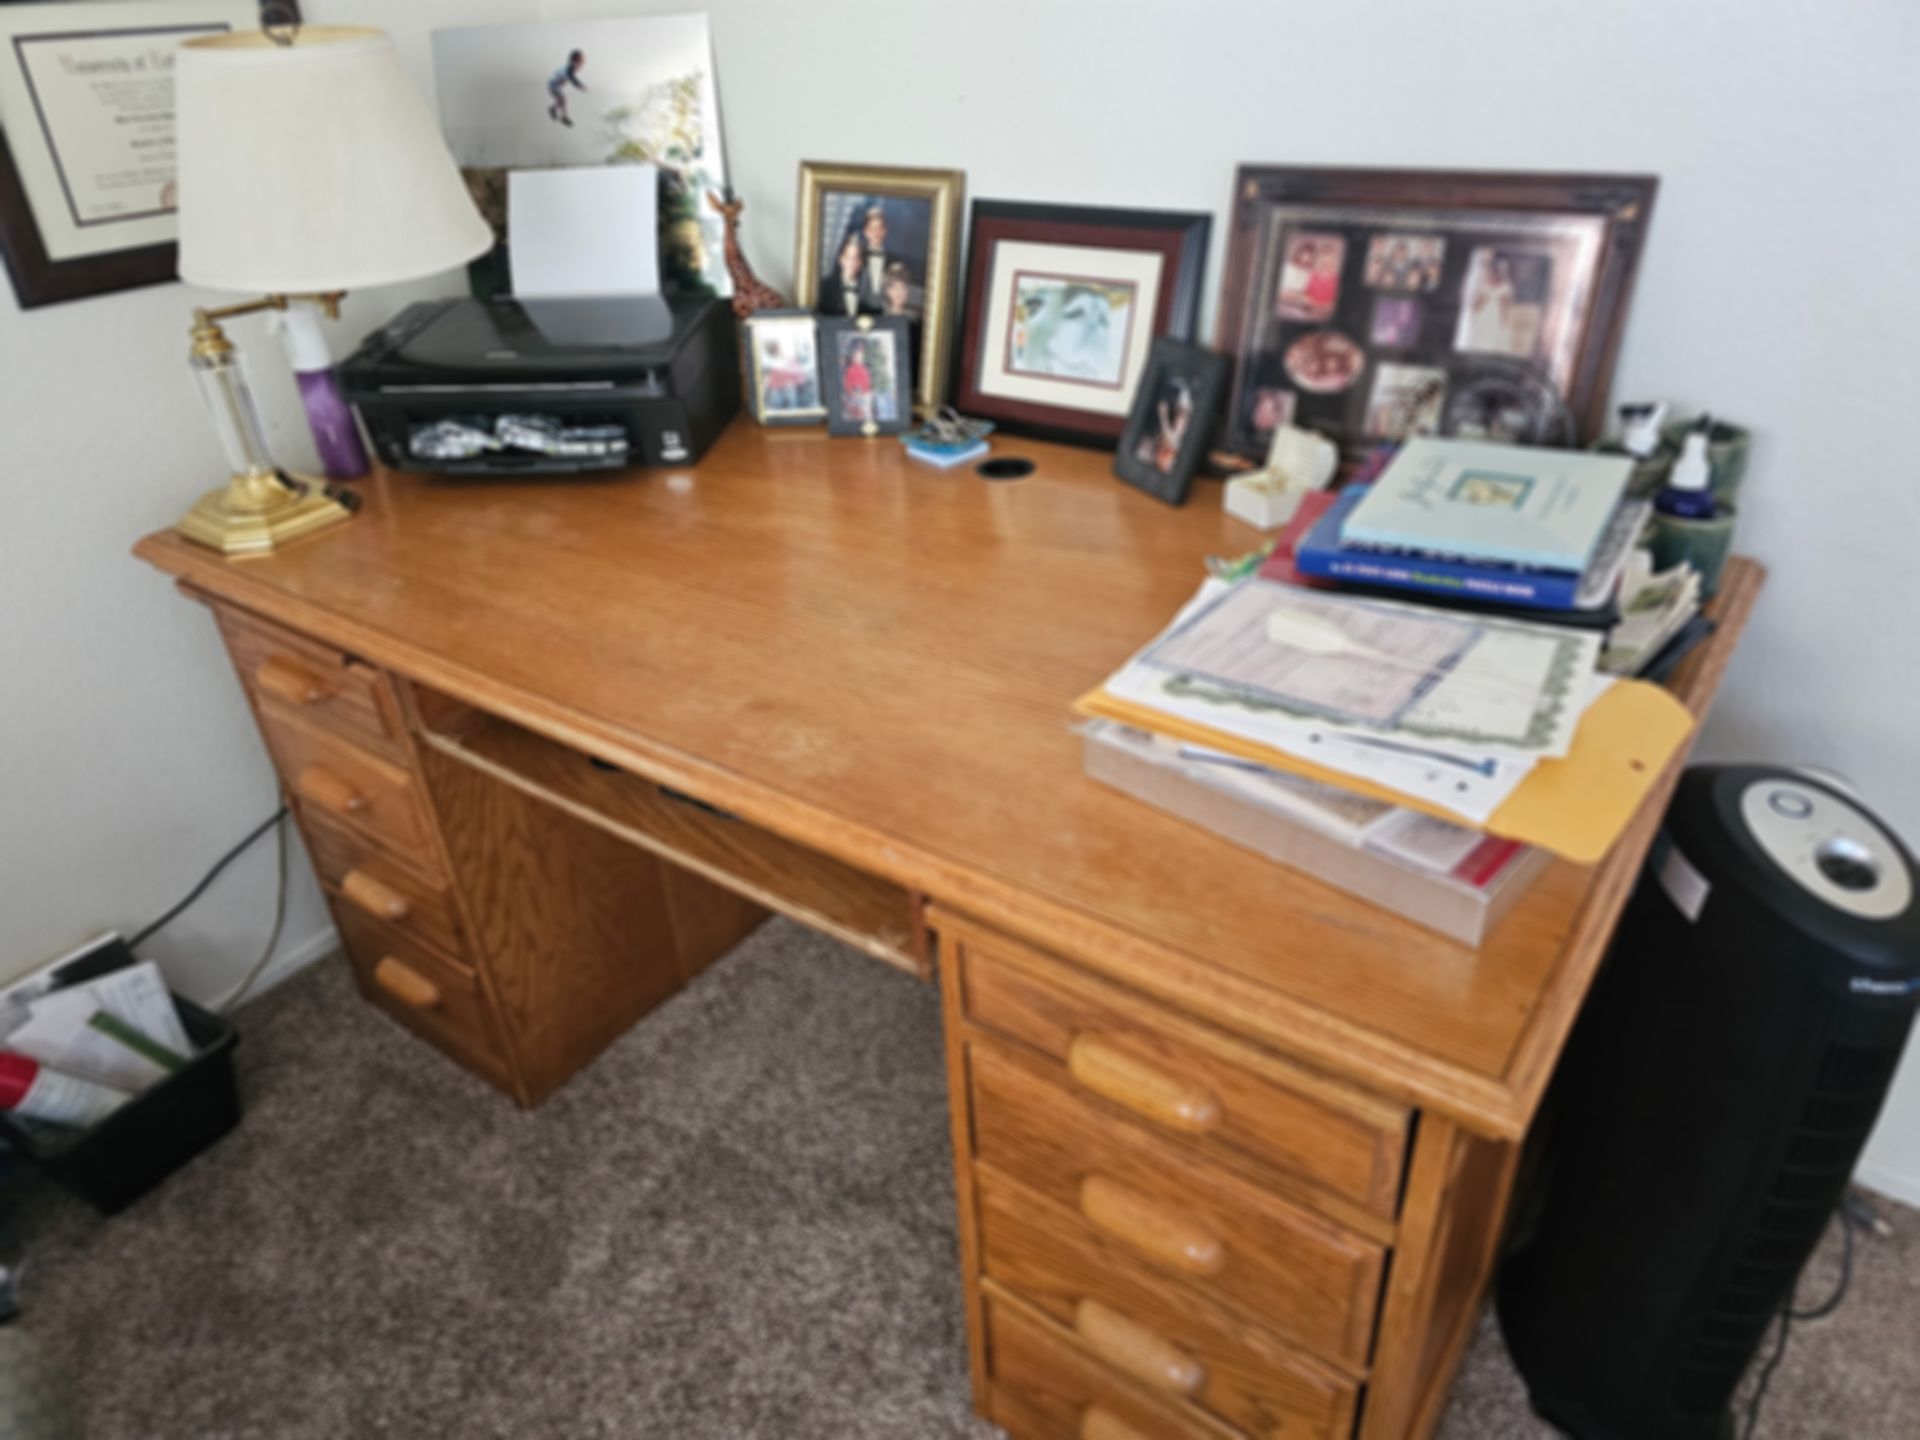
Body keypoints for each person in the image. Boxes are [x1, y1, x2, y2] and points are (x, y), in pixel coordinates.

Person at [819, 231, 870, 317]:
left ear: (861, 263)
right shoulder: (826, 288)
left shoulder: (867, 289)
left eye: (856, 258)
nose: (852, 263)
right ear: (841, 259)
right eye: (848, 257)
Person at [547, 50, 586, 127]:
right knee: (563, 99)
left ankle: (554, 110)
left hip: (555, 84)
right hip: (554, 85)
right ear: (574, 61)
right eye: (580, 62)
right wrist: (580, 85)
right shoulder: (570, 68)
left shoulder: (570, 68)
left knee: (562, 101)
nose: (581, 65)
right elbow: (572, 78)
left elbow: (571, 77)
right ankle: (562, 116)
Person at [842, 339, 874, 423]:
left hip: (863, 393)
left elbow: (867, 382)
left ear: (862, 359)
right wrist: (850, 391)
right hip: (852, 393)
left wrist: (864, 391)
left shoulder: (864, 370)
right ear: (852, 358)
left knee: (864, 409)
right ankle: (855, 420)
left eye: (859, 357)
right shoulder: (850, 369)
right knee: (853, 409)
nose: (857, 359)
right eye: (855, 357)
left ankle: (865, 419)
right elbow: (847, 382)